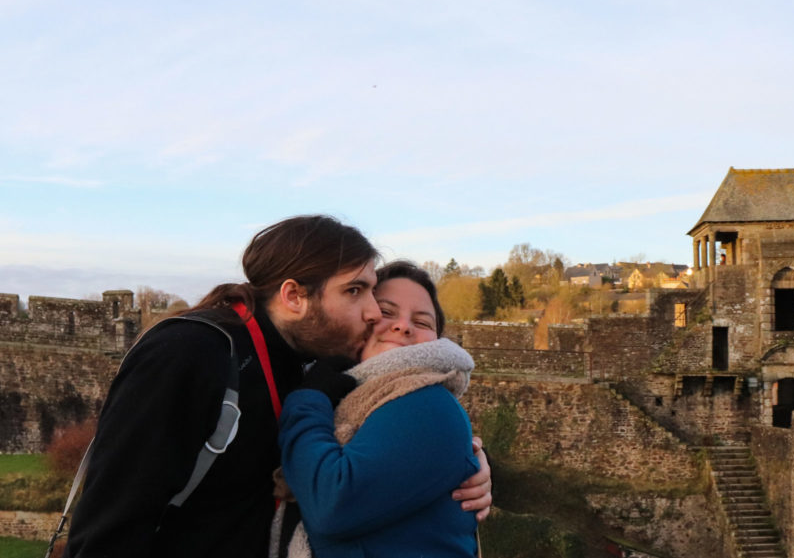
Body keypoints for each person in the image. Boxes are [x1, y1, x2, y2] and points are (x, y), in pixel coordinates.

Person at [64, 216, 491, 558]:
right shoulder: (191, 352)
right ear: (294, 297)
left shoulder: (320, 366)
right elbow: (112, 521)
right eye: (356, 292)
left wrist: (470, 461)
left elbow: (387, 441)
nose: (372, 314)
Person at [277, 261, 480, 557]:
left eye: (422, 322)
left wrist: (307, 399)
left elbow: (333, 505)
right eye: (386, 312)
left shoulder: (426, 403)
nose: (403, 326)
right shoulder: (354, 400)